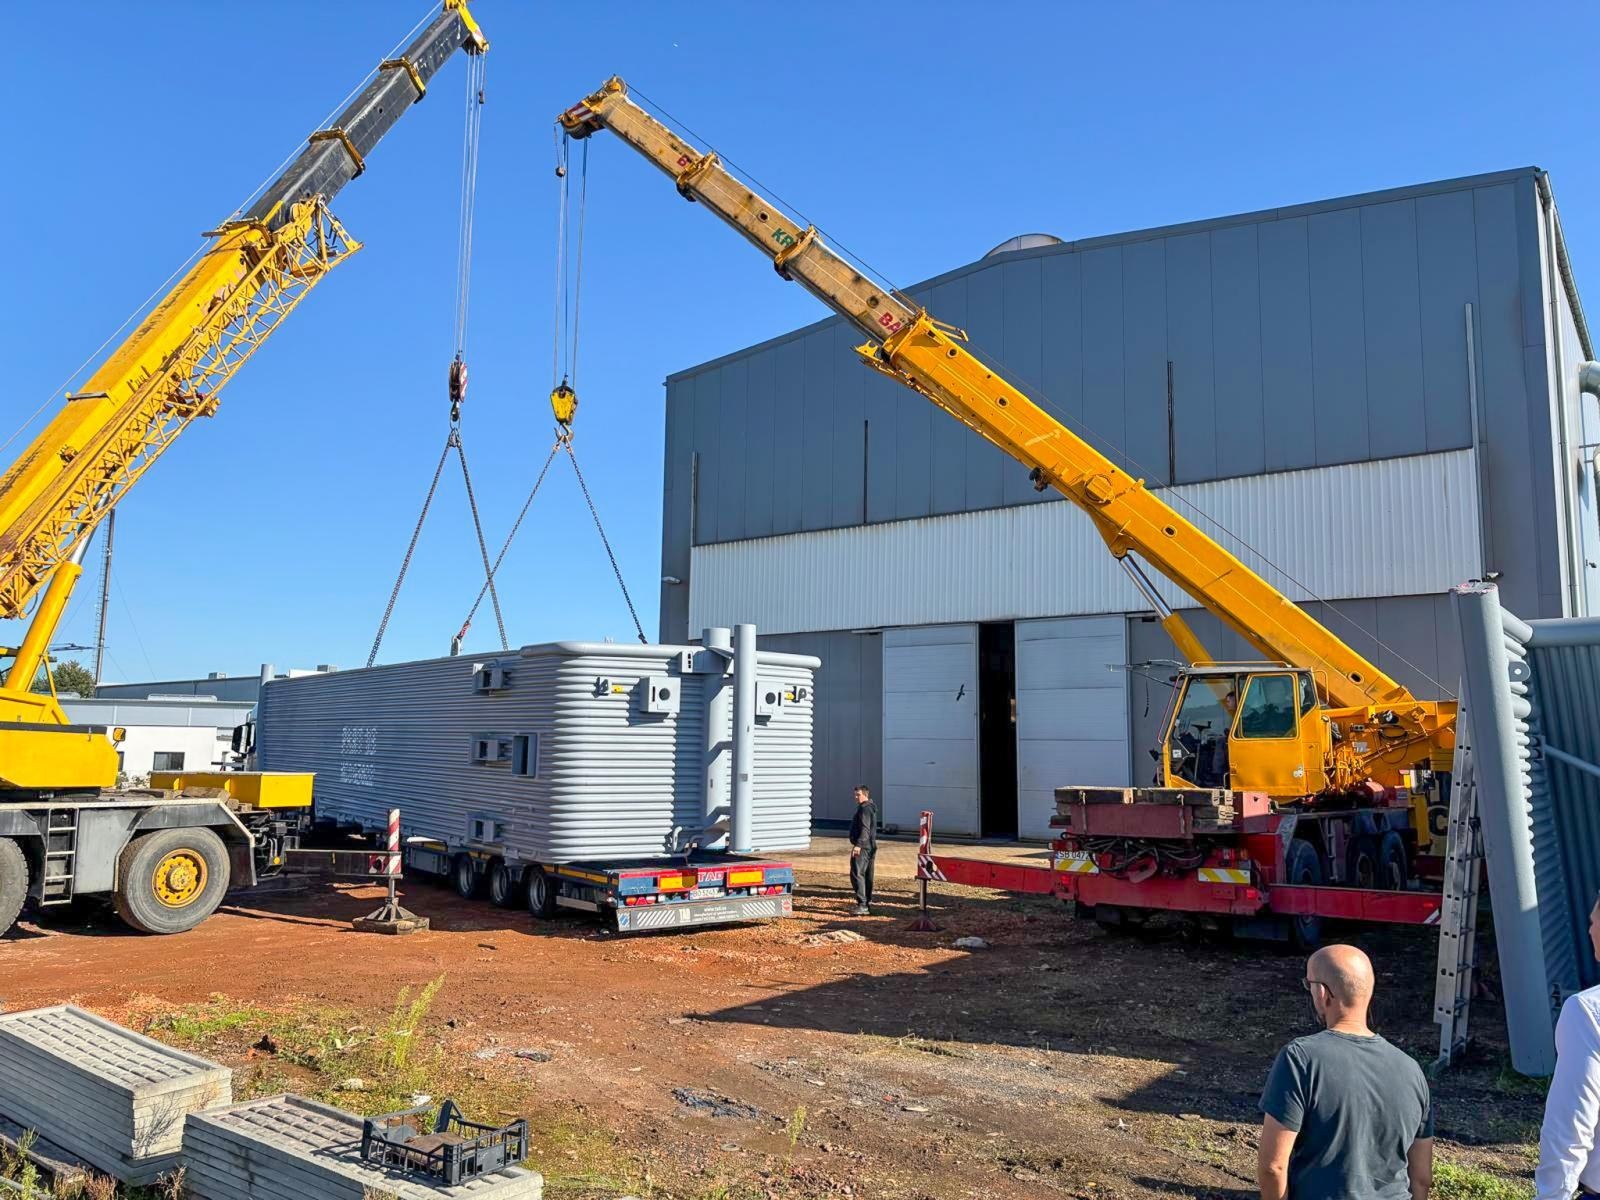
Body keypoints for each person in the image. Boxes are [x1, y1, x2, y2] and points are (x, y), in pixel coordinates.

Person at [1258, 944, 1434, 1200]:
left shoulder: (1300, 1058)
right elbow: (1421, 1178)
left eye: (1309, 985)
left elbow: (1273, 1167)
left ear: (1321, 993)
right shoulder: (1412, 1070)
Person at [1534, 894, 1600, 1200]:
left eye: (1593, 920)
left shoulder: (1587, 1011)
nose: (1589, 930)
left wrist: (1552, 1195)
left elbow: (1571, 1126)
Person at [848, 785, 877, 916]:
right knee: (867, 875)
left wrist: (858, 845)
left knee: (857, 874)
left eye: (858, 795)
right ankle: (866, 902)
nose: (855, 797)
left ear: (865, 794)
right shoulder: (870, 808)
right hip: (870, 846)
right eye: (855, 795)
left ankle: (862, 904)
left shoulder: (865, 809)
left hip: (864, 847)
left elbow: (865, 829)